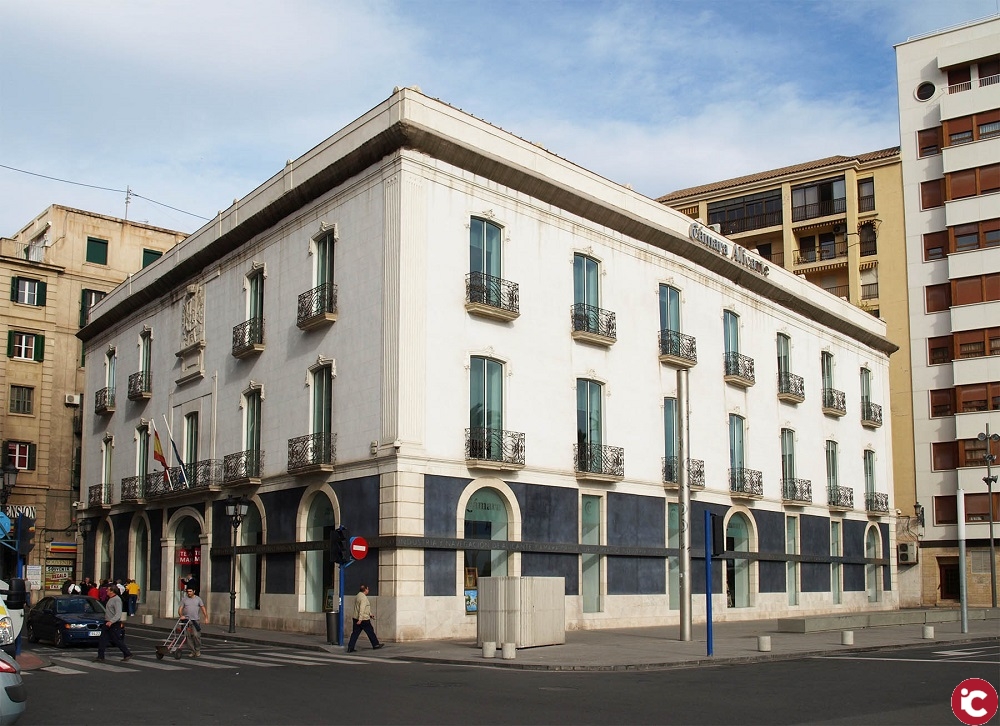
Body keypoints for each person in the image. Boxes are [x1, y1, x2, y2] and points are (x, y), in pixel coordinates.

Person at [95, 584, 132, 662]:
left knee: (116, 640)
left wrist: (111, 621)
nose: (106, 591)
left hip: (114, 623)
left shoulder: (117, 599)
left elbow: (118, 613)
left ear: (112, 591)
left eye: (108, 590)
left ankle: (127, 653)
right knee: (102, 639)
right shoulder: (110, 599)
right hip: (107, 622)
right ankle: (100, 656)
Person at [347, 584, 383, 653]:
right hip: (363, 619)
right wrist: (360, 619)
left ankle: (350, 647)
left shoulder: (358, 595)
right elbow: (362, 608)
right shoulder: (363, 598)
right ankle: (375, 644)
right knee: (370, 631)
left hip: (356, 617)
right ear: (365, 590)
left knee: (355, 633)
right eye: (368, 589)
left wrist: (370, 614)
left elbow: (362, 608)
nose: (368, 590)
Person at [178, 586, 208, 657]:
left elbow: (203, 608)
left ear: (194, 591)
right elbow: (180, 608)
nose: (189, 593)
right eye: (188, 591)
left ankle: (197, 650)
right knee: (188, 636)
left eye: (190, 591)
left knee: (196, 635)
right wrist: (181, 615)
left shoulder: (198, 599)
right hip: (187, 621)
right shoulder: (184, 599)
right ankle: (192, 651)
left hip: (195, 621)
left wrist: (206, 617)